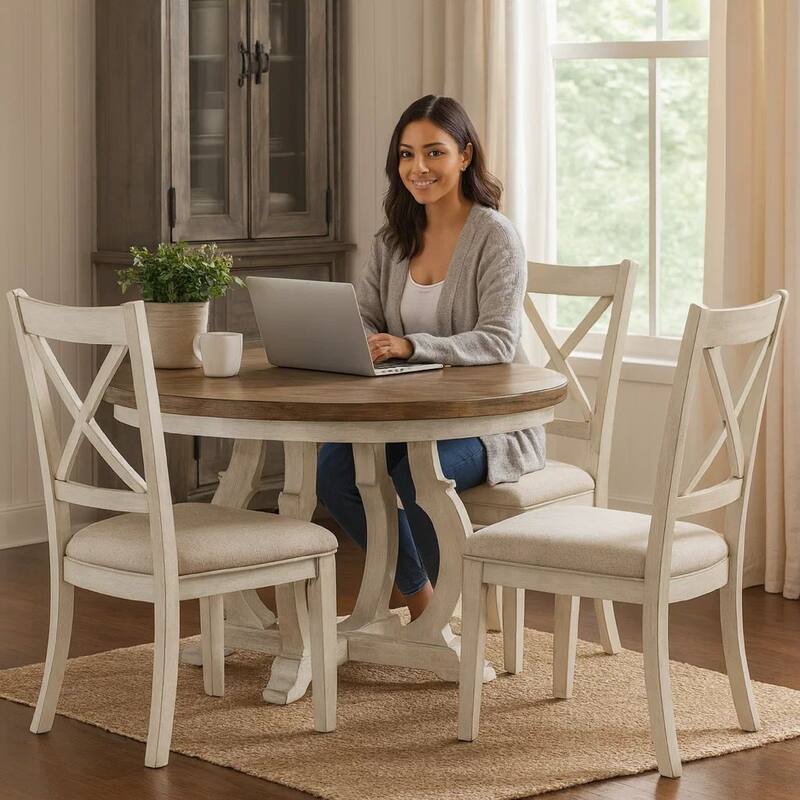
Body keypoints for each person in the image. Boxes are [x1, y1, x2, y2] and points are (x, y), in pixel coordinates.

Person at [316, 95, 545, 620]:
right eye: (406, 155)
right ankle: (424, 604)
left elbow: (498, 341)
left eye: (434, 153)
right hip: (405, 415)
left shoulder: (495, 236)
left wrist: (412, 345)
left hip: (489, 424)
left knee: (416, 477)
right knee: (334, 473)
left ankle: (457, 606)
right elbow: (369, 317)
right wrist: (352, 336)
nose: (418, 169)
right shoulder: (391, 238)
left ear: (465, 156)